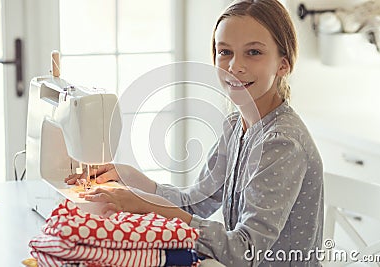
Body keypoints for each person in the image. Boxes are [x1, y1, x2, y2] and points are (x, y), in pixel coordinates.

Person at [65, 0, 324, 266]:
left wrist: (144, 205)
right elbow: (195, 204)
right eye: (225, 52)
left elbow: (245, 251)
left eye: (254, 52)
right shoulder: (236, 126)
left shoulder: (282, 143)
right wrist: (131, 178)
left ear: (283, 64)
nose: (235, 66)